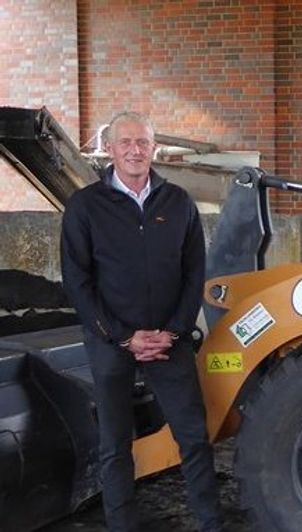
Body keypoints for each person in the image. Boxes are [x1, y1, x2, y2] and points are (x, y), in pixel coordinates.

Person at [61, 111, 222, 531]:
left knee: (193, 438)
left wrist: (173, 331)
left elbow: (194, 275)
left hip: (170, 342)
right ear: (109, 149)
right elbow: (77, 281)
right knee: (115, 444)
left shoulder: (178, 202)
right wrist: (121, 336)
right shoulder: (85, 207)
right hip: (111, 343)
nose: (135, 150)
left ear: (155, 149)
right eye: (126, 142)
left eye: (143, 143)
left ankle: (210, 523)